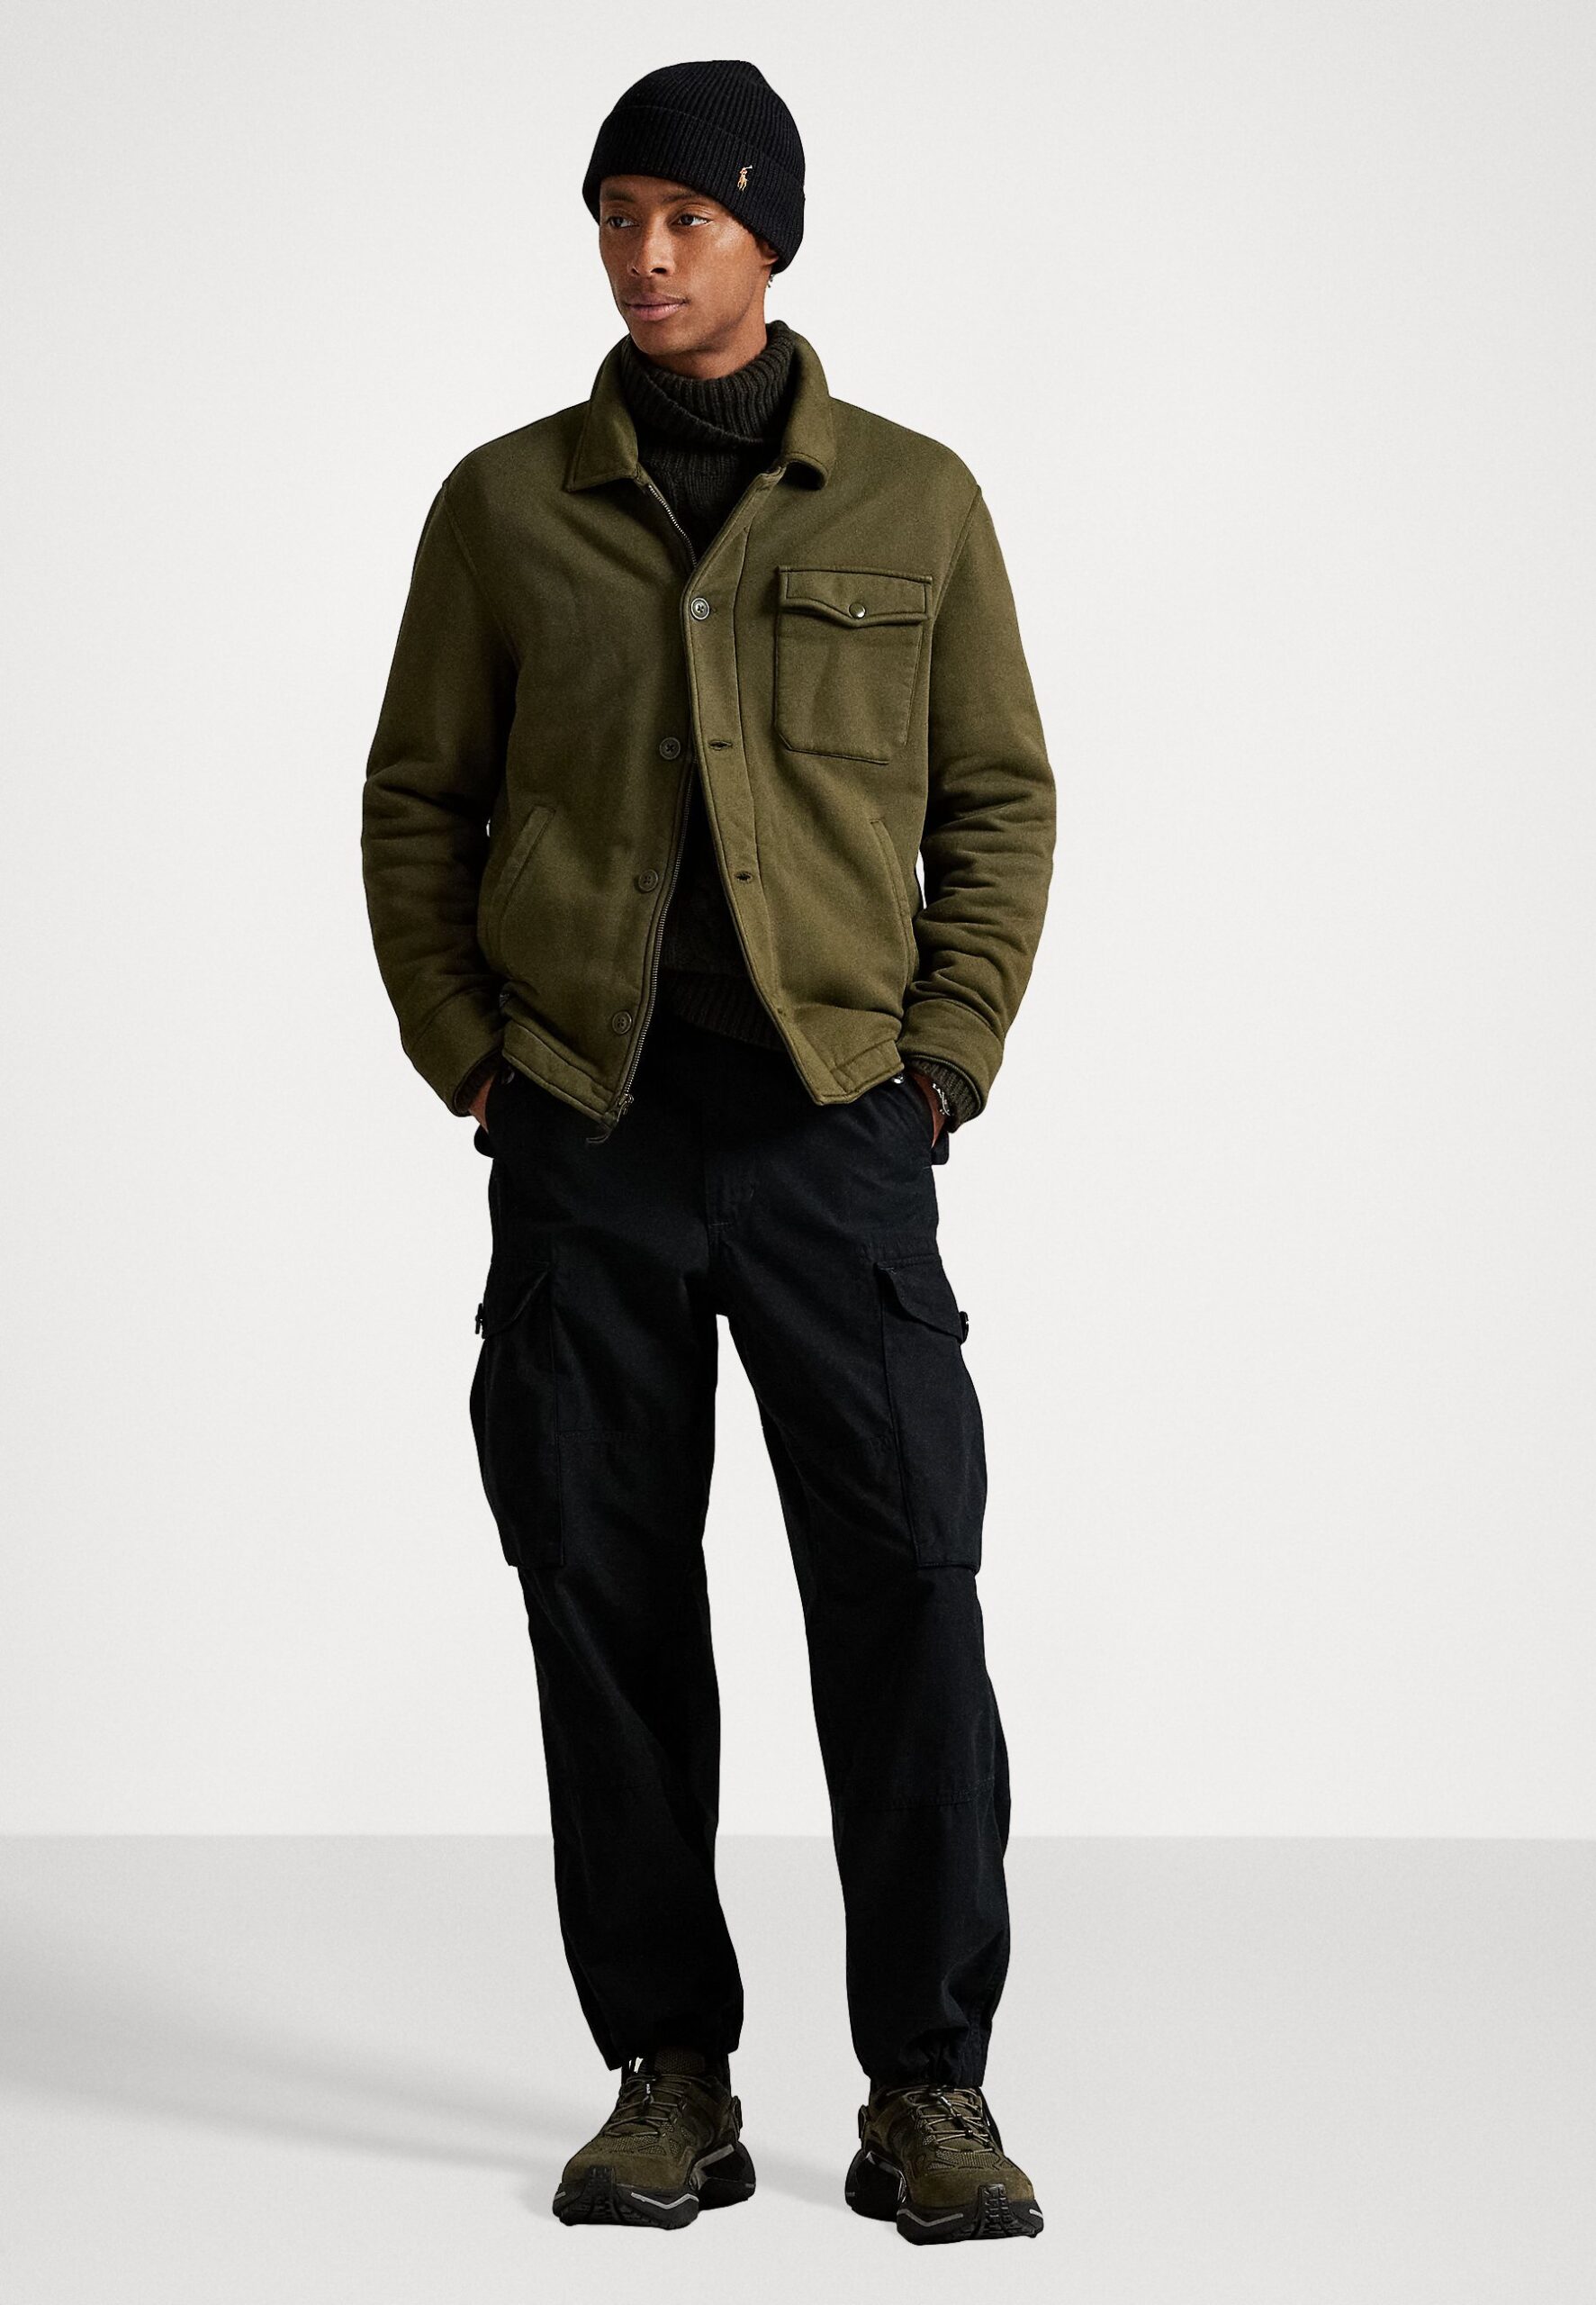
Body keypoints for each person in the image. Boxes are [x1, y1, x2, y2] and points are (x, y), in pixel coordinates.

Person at [361, 56, 1055, 2246]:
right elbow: (415, 798)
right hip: (586, 1131)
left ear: (768, 231)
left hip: (836, 1131)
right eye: (614, 215)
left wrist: (937, 1062)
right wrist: (470, 1055)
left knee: (905, 1591)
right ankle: (667, 2074)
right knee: (603, 1598)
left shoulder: (913, 501)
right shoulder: (502, 506)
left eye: (684, 215)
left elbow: (995, 799)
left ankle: (926, 2085)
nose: (642, 256)